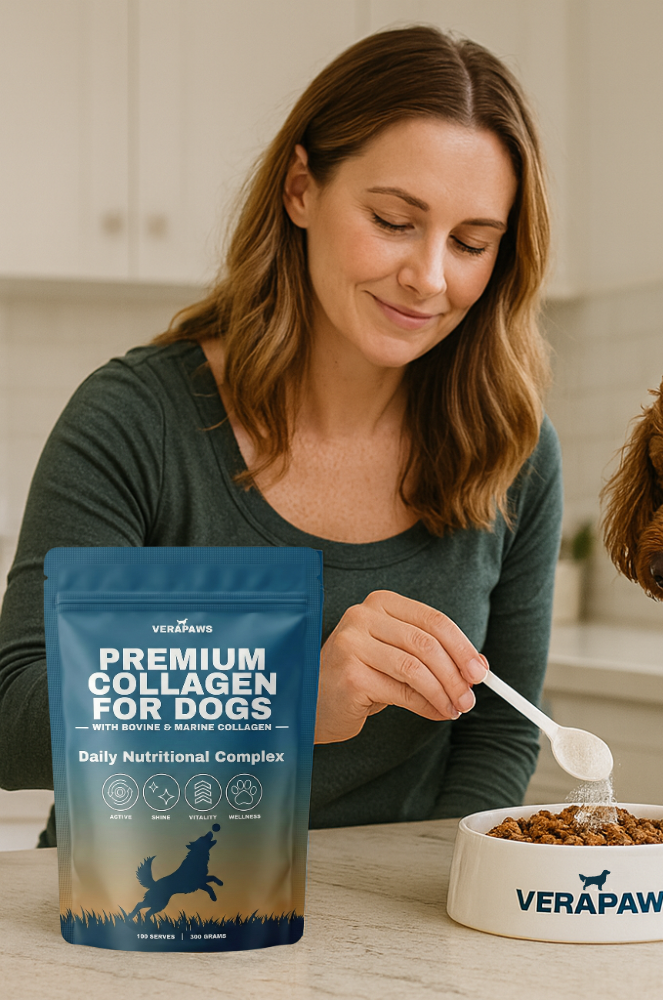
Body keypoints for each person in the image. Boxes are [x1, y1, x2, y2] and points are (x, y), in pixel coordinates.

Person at [0, 25, 562, 845]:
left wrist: (440, 889)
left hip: (389, 909)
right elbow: (14, 718)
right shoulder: (135, 420)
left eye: (472, 243)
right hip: (153, 901)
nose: (430, 277)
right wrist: (283, 695)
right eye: (393, 221)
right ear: (301, 189)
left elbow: (500, 733)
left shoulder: (512, 449)